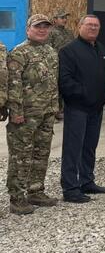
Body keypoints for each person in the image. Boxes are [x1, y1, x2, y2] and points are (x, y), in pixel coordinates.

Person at [5, 15, 60, 214]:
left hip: (47, 112)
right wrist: (16, 112)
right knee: (21, 156)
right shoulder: (19, 52)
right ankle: (17, 198)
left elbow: (53, 82)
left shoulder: (51, 52)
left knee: (41, 153)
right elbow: (13, 84)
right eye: (38, 27)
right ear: (28, 29)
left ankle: (36, 190)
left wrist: (55, 107)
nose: (42, 30)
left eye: (46, 27)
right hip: (25, 116)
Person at [58, 14, 105, 203]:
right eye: (89, 25)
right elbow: (65, 81)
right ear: (79, 27)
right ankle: (70, 188)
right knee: (73, 148)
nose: (93, 28)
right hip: (77, 108)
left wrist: (104, 96)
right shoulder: (68, 51)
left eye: (96, 25)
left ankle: (87, 181)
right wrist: (84, 94)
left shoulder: (101, 49)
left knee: (89, 146)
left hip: (96, 108)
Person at [47, 9, 73, 121]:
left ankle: (65, 109)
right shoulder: (51, 33)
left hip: (68, 65)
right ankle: (55, 111)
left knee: (66, 86)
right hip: (56, 64)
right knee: (55, 88)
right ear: (55, 19)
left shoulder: (69, 33)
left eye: (65, 18)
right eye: (62, 18)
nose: (65, 20)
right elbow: (48, 49)